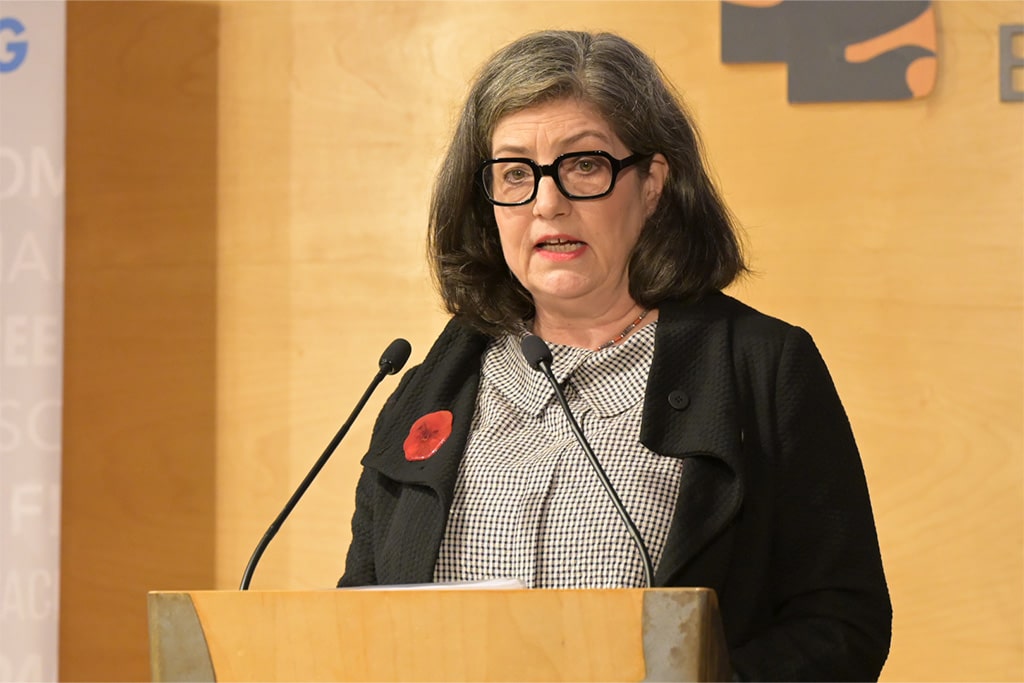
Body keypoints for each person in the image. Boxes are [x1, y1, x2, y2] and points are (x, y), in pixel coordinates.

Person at [338, 30, 891, 680]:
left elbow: (841, 624)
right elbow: (361, 622)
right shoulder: (430, 387)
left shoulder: (761, 370)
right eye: (515, 172)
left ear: (652, 184)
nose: (548, 203)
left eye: (583, 165)